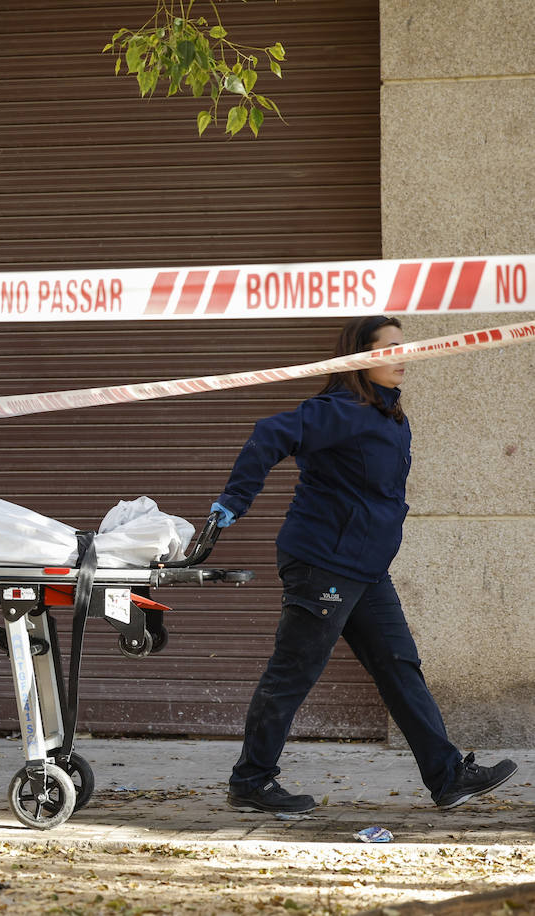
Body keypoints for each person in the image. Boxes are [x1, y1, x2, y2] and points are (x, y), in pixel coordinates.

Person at [210, 315, 516, 815]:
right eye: (391, 347)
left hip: (366, 568)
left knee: (400, 668)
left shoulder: (388, 414)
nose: (404, 356)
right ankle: (251, 780)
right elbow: (269, 433)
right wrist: (236, 498)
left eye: (405, 346)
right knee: (294, 671)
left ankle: (447, 776)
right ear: (361, 357)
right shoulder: (341, 410)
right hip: (324, 563)